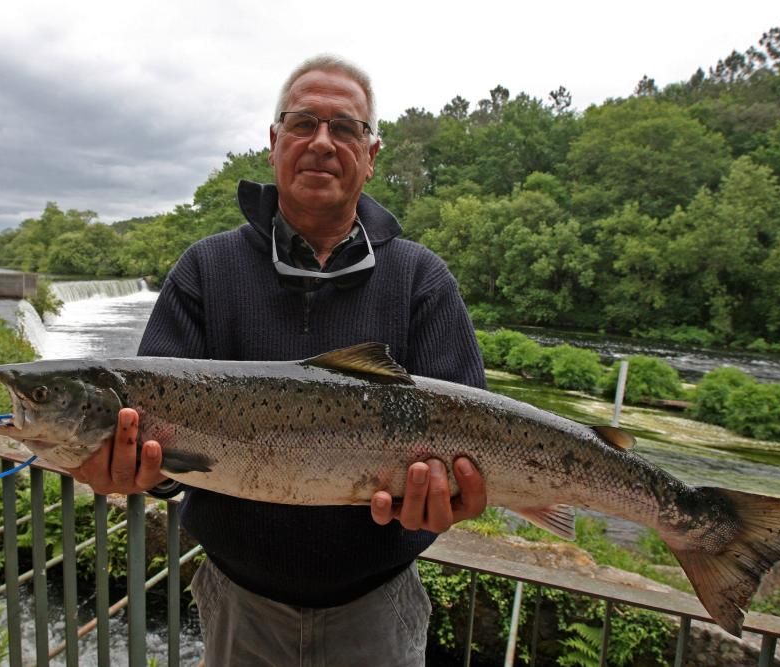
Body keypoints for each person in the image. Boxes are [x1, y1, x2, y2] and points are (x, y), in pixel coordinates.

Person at [70, 54, 488, 666]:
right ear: (273, 143)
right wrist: (129, 472)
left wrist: (458, 496)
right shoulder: (204, 271)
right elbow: (158, 445)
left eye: (345, 128)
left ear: (371, 155)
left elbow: (475, 440)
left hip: (379, 608)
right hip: (239, 604)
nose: (322, 142)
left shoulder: (421, 278)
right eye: (302, 123)